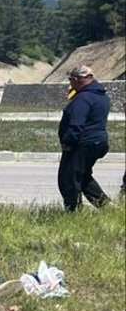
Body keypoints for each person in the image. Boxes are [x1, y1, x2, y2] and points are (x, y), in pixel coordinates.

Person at [57, 64, 111, 211]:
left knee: (68, 179)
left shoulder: (83, 98)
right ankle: (106, 207)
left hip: (82, 143)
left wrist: (68, 141)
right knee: (83, 177)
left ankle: (73, 212)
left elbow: (76, 123)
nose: (70, 83)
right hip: (98, 141)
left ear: (78, 79)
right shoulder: (101, 96)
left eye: (71, 80)